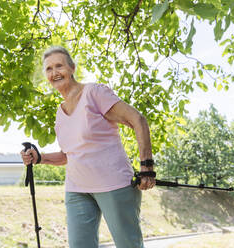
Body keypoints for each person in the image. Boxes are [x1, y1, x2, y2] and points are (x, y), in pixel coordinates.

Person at [21, 46, 155, 248]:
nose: (55, 72)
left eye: (59, 66)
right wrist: (39, 157)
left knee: (129, 245)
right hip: (77, 190)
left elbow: (138, 120)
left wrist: (147, 167)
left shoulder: (94, 93)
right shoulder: (60, 113)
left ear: (72, 68)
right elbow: (69, 155)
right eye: (49, 69)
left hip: (114, 185)